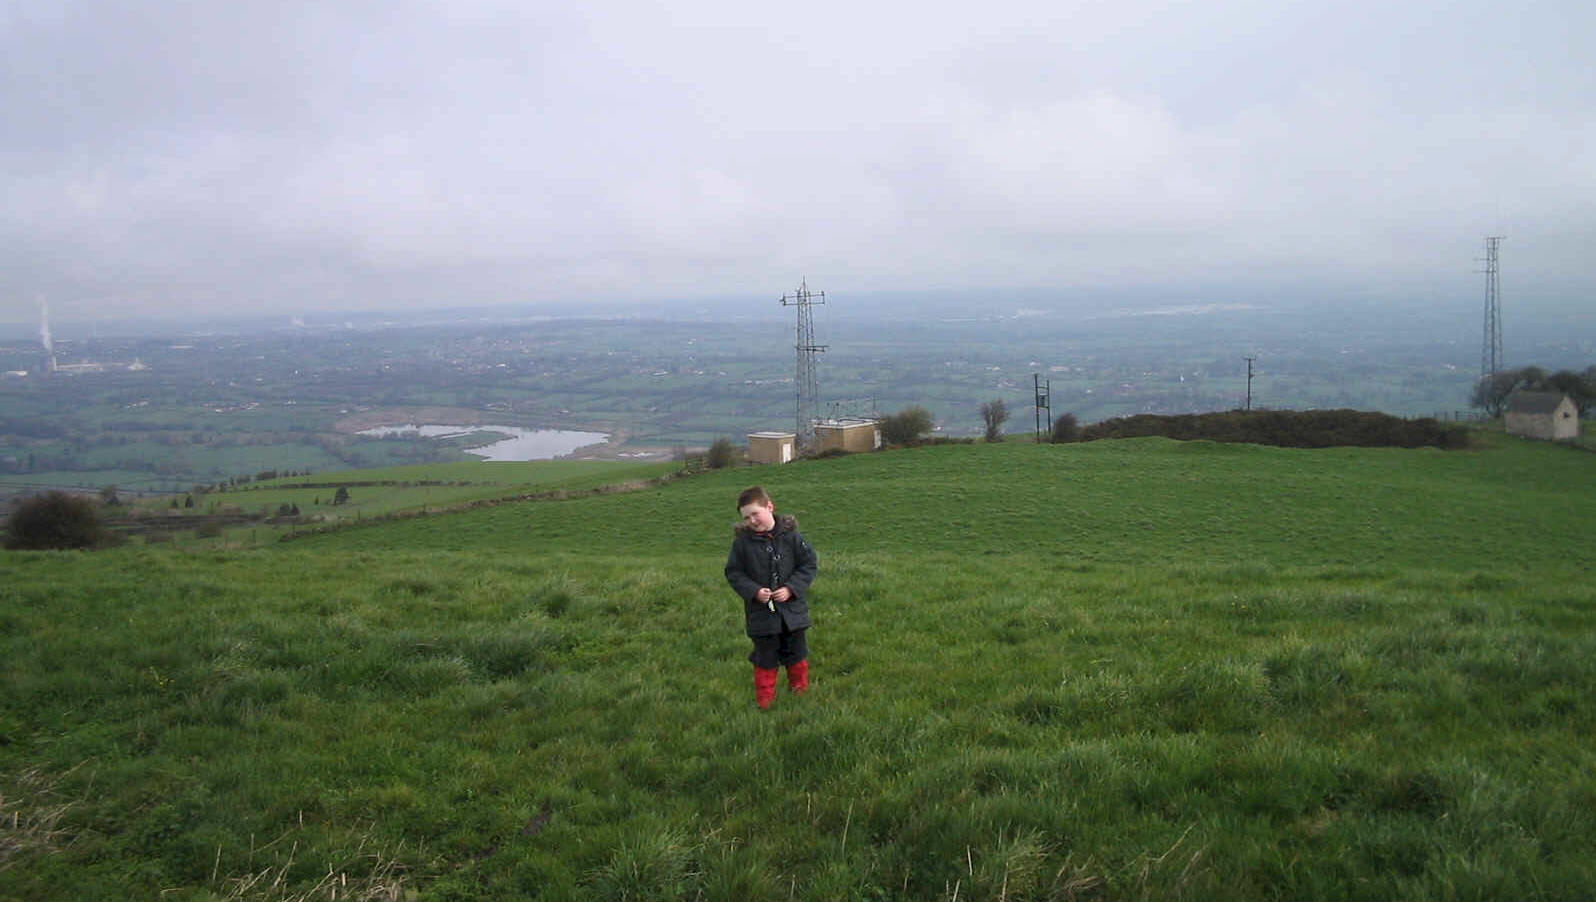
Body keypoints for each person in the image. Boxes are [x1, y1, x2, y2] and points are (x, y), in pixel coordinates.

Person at [724, 485, 818, 709]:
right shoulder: (742, 545)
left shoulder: (792, 538)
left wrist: (791, 588)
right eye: (747, 518)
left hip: (793, 613)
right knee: (765, 658)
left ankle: (799, 693)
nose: (752, 521)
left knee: (797, 653)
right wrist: (755, 591)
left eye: (755, 514)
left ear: (770, 507)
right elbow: (734, 573)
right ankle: (765, 701)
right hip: (761, 616)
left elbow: (808, 564)